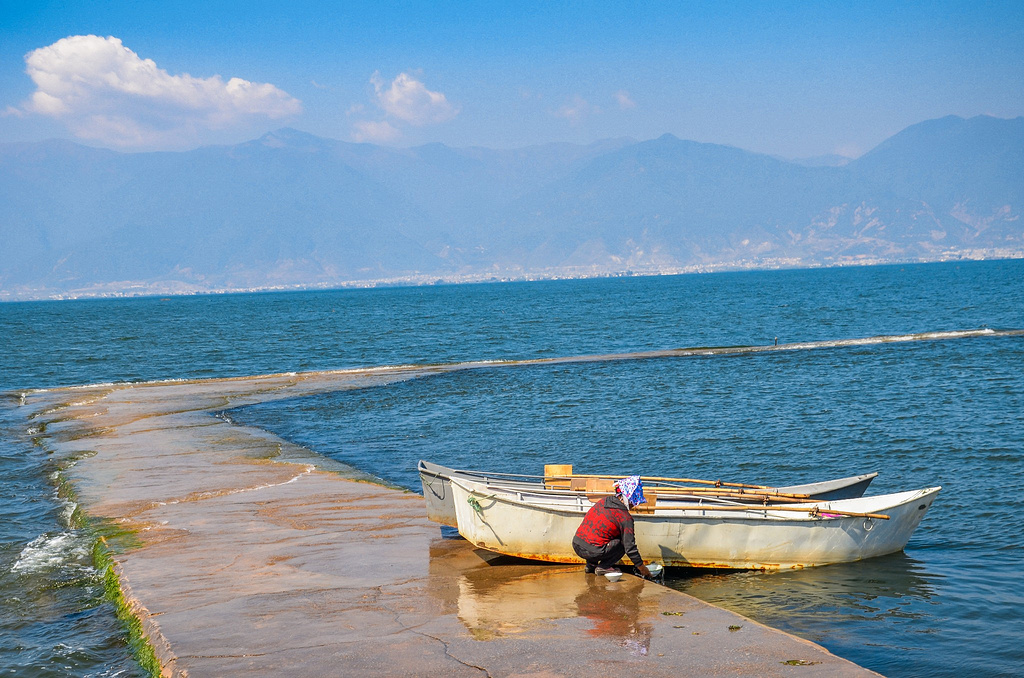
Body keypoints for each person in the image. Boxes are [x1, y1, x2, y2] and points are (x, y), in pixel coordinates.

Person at [572, 475, 652, 578]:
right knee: (623, 543)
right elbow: (630, 548)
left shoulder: (604, 501)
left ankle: (591, 565)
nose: (634, 506)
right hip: (592, 551)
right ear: (626, 499)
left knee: (600, 536)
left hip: (577, 544)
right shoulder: (625, 518)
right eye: (633, 502)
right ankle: (604, 567)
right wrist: (642, 569)